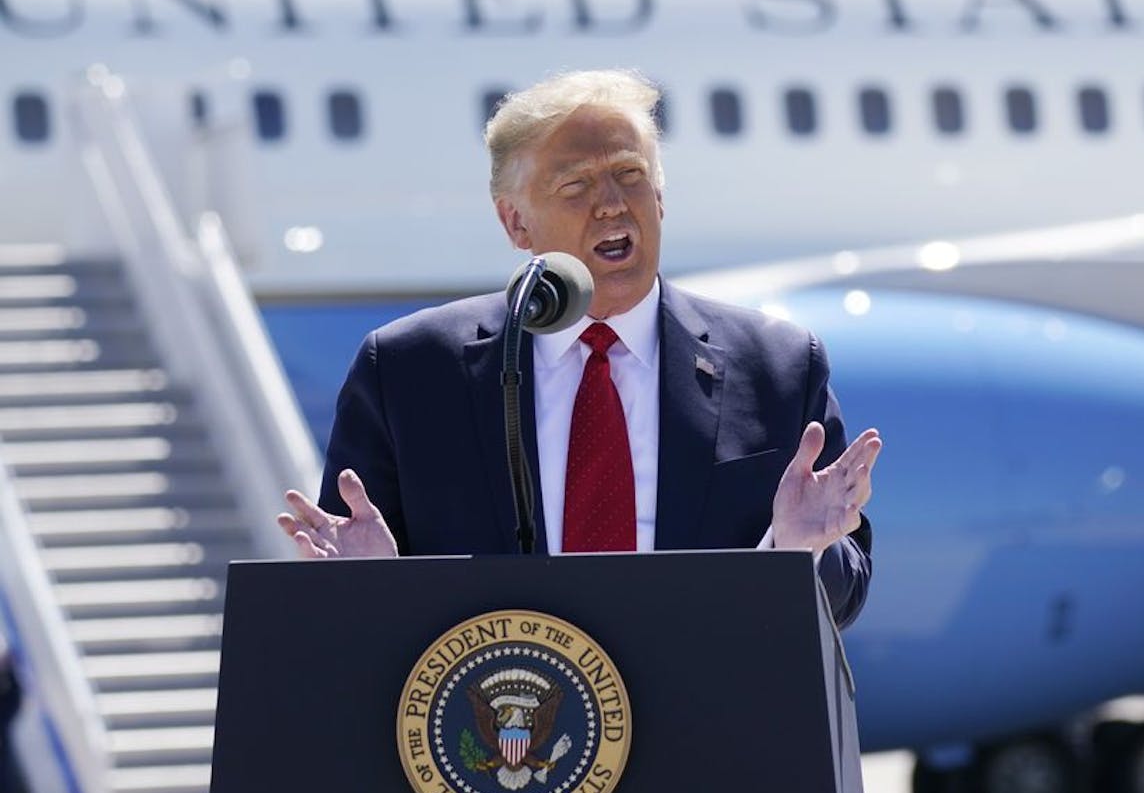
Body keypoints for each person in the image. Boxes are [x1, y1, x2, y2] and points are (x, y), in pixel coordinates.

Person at [277, 69, 881, 627]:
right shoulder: (411, 372)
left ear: (661, 198)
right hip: (504, 734)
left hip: (710, 728)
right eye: (576, 184)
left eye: (630, 175)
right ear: (515, 223)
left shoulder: (774, 365)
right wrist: (372, 588)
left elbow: (845, 597)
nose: (612, 202)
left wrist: (799, 553)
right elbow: (352, 611)